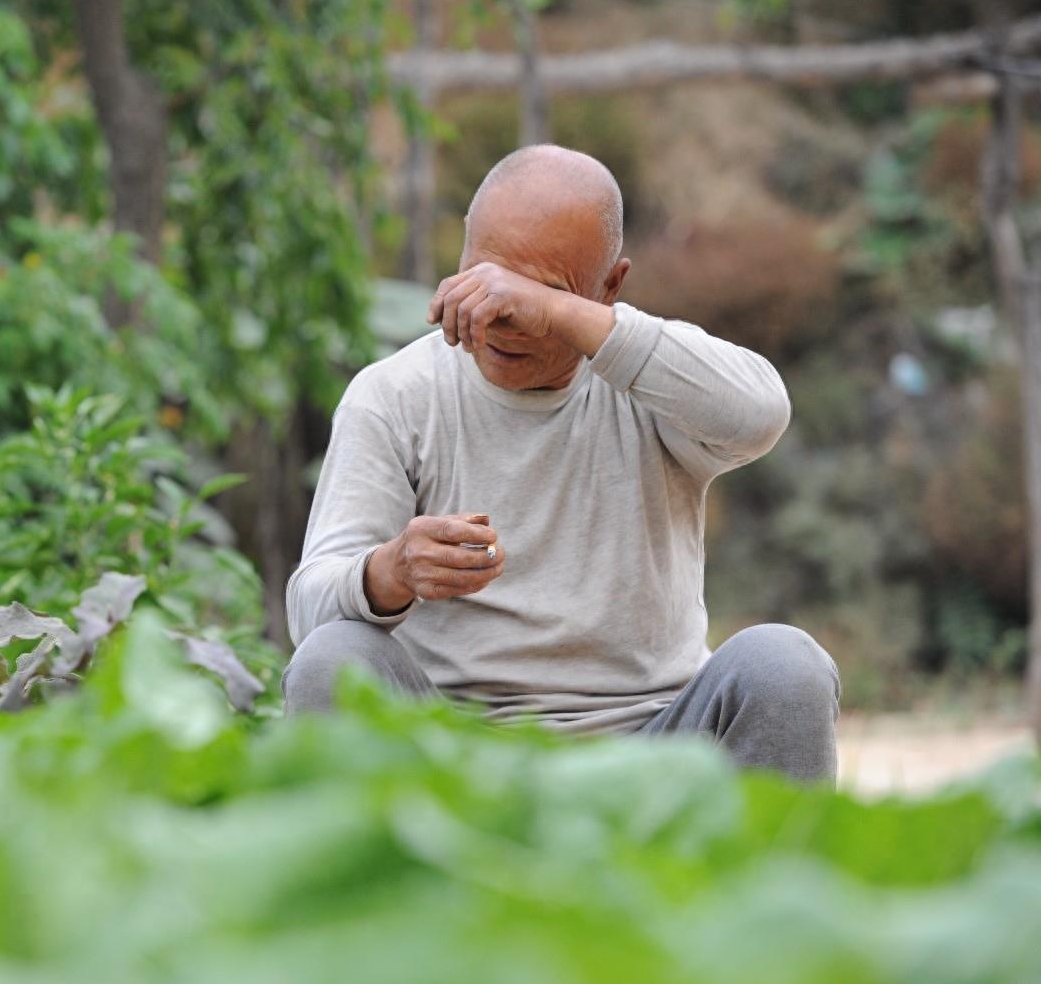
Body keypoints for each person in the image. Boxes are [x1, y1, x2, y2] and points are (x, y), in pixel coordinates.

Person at [284, 144, 840, 783]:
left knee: (785, 664)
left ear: (609, 286)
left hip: (654, 753)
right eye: (486, 279)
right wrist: (393, 570)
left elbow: (762, 412)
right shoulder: (395, 395)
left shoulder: (648, 377)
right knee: (334, 657)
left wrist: (568, 318)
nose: (501, 317)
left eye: (539, 292)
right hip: (454, 756)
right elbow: (310, 617)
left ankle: (775, 883)